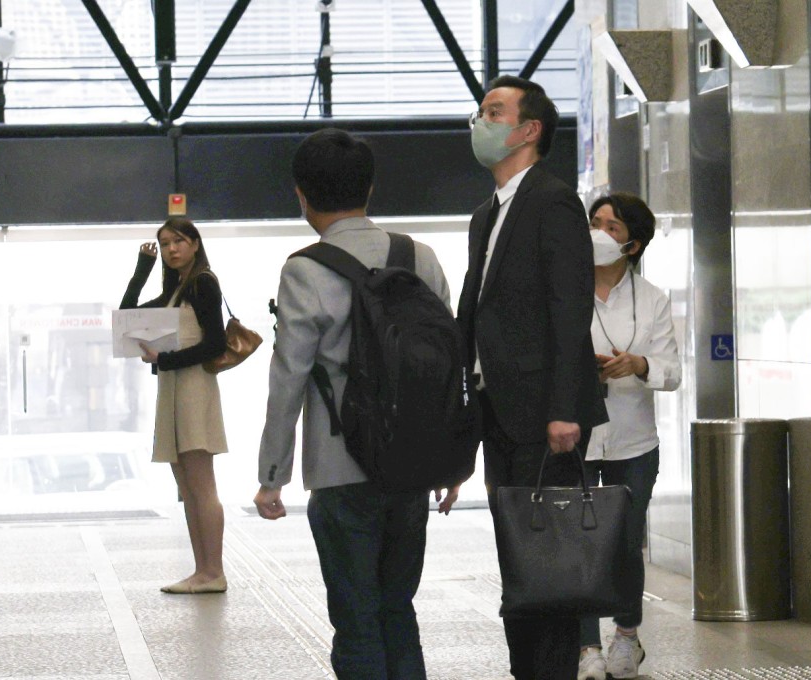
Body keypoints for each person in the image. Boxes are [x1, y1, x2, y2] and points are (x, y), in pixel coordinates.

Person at [254, 128, 457, 680]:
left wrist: (273, 475)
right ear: (369, 187)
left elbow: (288, 376)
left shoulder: (305, 269)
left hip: (341, 467)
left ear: (301, 194)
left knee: (356, 618)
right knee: (398, 608)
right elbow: (448, 360)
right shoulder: (420, 256)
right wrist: (449, 457)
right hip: (414, 464)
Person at [456, 75, 608, 680]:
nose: (480, 122)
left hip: (546, 418)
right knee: (520, 561)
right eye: (480, 111)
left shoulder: (551, 200)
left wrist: (564, 407)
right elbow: (478, 312)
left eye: (494, 112)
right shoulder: (487, 214)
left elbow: (569, 308)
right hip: (500, 412)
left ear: (529, 130)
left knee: (548, 564)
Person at [577, 193, 681, 680]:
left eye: (611, 226)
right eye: (594, 222)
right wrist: (585, 373)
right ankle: (584, 647)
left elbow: (671, 370)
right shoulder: (565, 290)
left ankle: (626, 637)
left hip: (634, 440)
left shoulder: (654, 299)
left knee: (622, 543)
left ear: (632, 243)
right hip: (577, 435)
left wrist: (637, 365)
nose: (598, 232)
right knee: (579, 540)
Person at [119, 216, 229, 594]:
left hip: (194, 387)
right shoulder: (176, 290)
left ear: (195, 244)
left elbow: (214, 344)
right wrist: (142, 270)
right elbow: (127, 317)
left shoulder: (202, 283)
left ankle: (213, 571)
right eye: (165, 244)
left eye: (179, 241)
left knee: (201, 484)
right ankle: (203, 570)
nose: (171, 249)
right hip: (174, 385)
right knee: (186, 483)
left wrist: (165, 361)